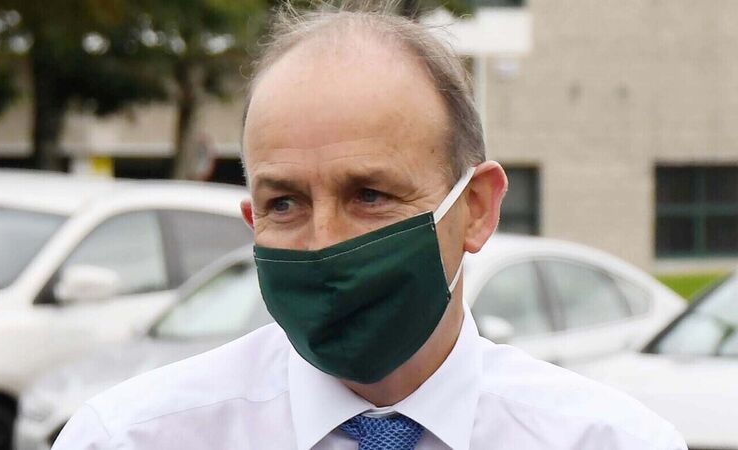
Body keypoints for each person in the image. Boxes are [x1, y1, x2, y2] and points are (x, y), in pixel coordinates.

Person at [53, 3, 687, 449]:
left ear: (476, 209)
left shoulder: (610, 441)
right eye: (285, 204)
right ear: (252, 222)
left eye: (370, 195)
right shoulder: (130, 439)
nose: (324, 241)